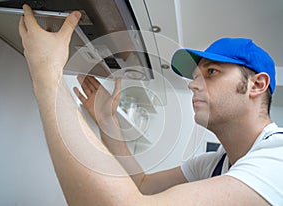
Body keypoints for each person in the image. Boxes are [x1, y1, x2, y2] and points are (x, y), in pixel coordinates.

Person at [19, 4, 283, 205]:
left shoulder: (277, 159)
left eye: (211, 72)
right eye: (194, 77)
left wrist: (47, 74)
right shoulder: (213, 164)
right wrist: (108, 122)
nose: (192, 85)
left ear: (256, 85)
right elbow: (142, 186)